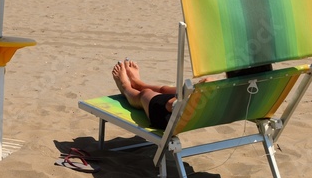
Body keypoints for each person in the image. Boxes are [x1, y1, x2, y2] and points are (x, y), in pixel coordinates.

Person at [112, 59, 273, 130]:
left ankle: (127, 87)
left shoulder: (218, 90)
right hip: (198, 111)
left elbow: (170, 105)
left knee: (145, 95)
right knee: (202, 86)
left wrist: (184, 96)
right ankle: (139, 83)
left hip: (170, 118)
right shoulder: (257, 98)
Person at [112, 59, 177, 130]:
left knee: (145, 93)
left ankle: (125, 88)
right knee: (164, 90)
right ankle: (138, 84)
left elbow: (170, 104)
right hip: (185, 107)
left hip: (167, 117)